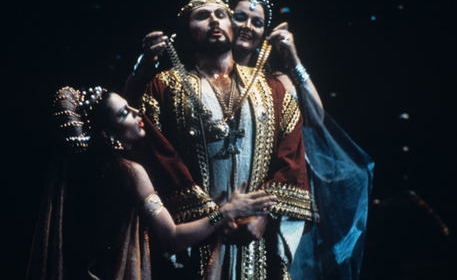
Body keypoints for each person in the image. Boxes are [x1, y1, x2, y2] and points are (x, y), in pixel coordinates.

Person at [128, 0, 313, 279]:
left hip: (257, 241)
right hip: (195, 239)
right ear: (186, 34)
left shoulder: (272, 87)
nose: (214, 20)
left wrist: (264, 215)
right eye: (202, 16)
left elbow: (291, 153)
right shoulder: (164, 87)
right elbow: (158, 156)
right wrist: (213, 218)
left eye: (220, 14)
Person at [26, 86, 276, 280]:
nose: (137, 112)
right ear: (107, 133)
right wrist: (226, 211)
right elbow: (171, 237)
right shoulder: (130, 172)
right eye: (125, 113)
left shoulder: (102, 169)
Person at [225, 0, 375, 280]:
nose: (247, 26)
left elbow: (316, 117)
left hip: (265, 203)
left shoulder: (277, 82)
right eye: (239, 17)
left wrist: (292, 59)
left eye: (257, 22)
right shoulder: (197, 77)